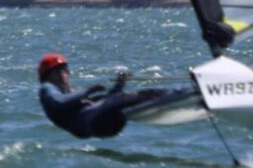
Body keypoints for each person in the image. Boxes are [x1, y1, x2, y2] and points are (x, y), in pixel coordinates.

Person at [37, 53, 179, 139]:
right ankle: (174, 95)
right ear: (47, 76)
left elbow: (106, 101)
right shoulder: (47, 88)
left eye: (64, 70)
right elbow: (60, 102)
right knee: (123, 98)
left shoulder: (70, 91)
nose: (63, 74)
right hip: (91, 123)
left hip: (105, 124)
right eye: (57, 71)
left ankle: (176, 94)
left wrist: (119, 85)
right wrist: (87, 91)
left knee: (130, 96)